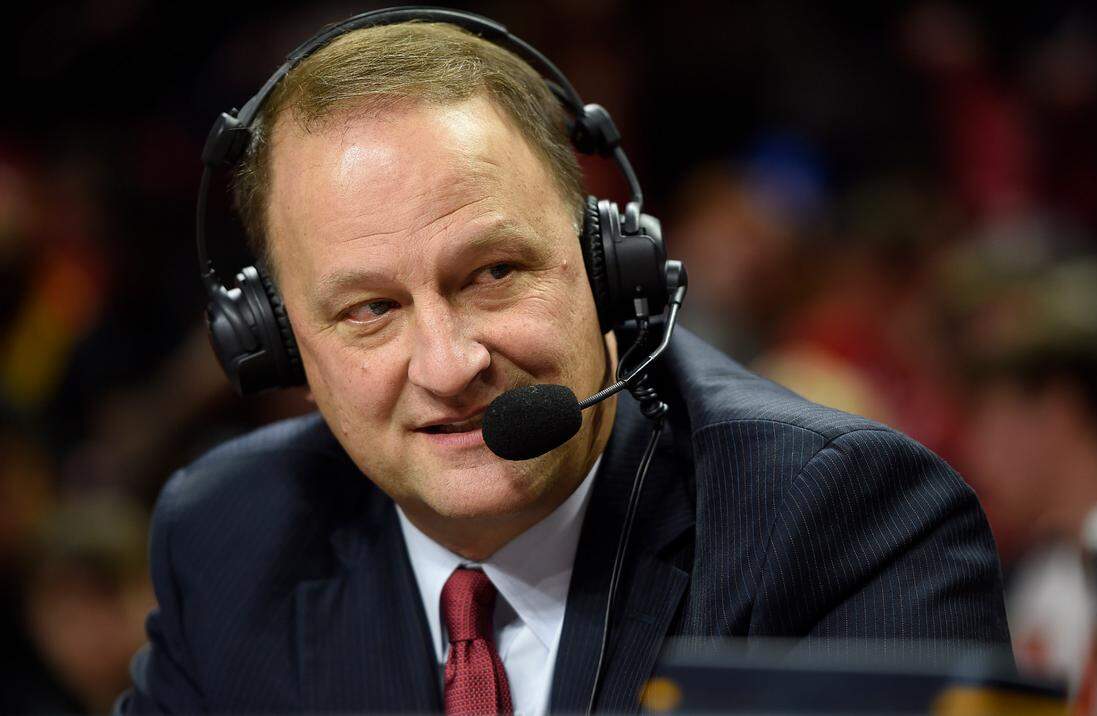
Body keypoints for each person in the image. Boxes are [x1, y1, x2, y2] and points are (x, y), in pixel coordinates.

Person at [117, 11, 1010, 714]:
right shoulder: (231, 540)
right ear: (278, 345)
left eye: (494, 273)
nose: (449, 362)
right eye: (370, 310)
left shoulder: (841, 527)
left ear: (608, 267)